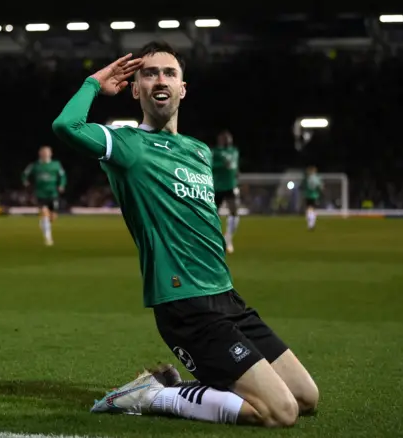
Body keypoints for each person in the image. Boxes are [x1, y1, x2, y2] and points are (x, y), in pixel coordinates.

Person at [52, 41, 318, 427]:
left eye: (169, 73)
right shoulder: (128, 146)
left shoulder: (200, 151)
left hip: (227, 298)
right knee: (281, 412)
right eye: (149, 73)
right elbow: (66, 126)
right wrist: (93, 84)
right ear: (136, 89)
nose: (160, 79)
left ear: (182, 89)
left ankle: (192, 386)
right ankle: (153, 395)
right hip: (185, 304)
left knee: (306, 397)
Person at [22, 146, 66, 246]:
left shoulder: (56, 165)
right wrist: (26, 182)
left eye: (47, 152)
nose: (45, 154)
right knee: (45, 213)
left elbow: (63, 176)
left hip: (53, 193)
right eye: (43, 152)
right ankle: (48, 238)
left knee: (52, 217)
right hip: (40, 194)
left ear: (51, 154)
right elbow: (25, 174)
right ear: (40, 154)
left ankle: (43, 223)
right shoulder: (35, 165)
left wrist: (61, 185)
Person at [212, 130, 240, 253]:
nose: (228, 140)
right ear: (220, 140)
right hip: (217, 187)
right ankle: (213, 240)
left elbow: (235, 166)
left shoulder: (234, 151)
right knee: (212, 215)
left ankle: (228, 238)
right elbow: (209, 165)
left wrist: (236, 173)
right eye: (225, 138)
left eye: (229, 138)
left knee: (234, 212)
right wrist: (222, 165)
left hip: (230, 186)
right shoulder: (215, 152)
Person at [300, 166, 322, 230]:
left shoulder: (307, 178)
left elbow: (302, 186)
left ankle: (310, 224)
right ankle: (312, 224)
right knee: (312, 209)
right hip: (314, 195)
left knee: (309, 209)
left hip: (307, 195)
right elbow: (319, 186)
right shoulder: (317, 178)